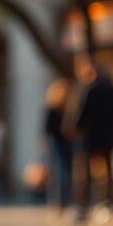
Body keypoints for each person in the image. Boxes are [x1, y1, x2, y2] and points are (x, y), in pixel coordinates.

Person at [68, 57, 113, 223]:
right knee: (107, 173)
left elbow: (80, 114)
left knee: (84, 174)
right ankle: (108, 203)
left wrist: (74, 127)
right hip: (107, 138)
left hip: (90, 139)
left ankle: (83, 205)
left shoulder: (87, 90)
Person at [43, 78, 74, 213]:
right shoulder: (52, 110)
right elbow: (47, 129)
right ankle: (57, 202)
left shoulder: (69, 110)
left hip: (68, 144)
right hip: (56, 144)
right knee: (58, 174)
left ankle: (65, 201)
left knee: (66, 173)